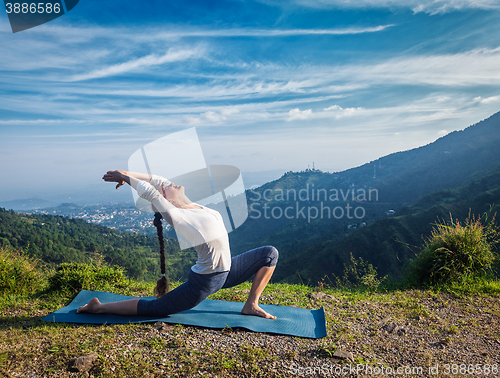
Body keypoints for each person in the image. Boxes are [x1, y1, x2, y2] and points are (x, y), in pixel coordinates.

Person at [77, 170, 278, 319]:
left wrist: (124, 173)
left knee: (270, 254)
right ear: (166, 200)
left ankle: (251, 304)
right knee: (154, 309)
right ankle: (97, 307)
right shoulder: (180, 217)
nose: (171, 184)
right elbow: (151, 192)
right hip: (205, 281)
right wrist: (128, 180)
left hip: (226, 271)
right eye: (168, 188)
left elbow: (157, 181)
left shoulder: (195, 206)